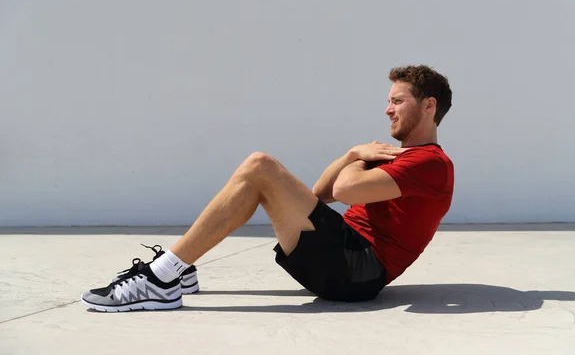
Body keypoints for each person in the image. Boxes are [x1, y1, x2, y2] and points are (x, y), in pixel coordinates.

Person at [81, 64, 454, 312]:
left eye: (397, 101)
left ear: (428, 106)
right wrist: (352, 153)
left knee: (260, 166)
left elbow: (344, 191)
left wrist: (358, 158)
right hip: (346, 255)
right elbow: (322, 191)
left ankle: (162, 278)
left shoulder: (430, 163)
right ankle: (175, 269)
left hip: (359, 272)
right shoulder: (396, 156)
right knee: (259, 173)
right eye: (388, 101)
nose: (387, 109)